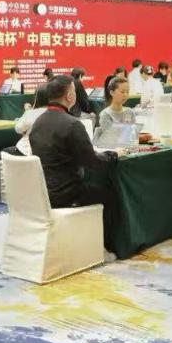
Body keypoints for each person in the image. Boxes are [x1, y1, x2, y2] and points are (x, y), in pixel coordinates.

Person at [28, 75, 119, 257]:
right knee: (111, 194)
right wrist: (113, 154)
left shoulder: (37, 123)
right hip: (67, 193)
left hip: (43, 191)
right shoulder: (72, 124)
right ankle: (106, 248)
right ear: (69, 96)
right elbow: (92, 162)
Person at [14, 86, 50, 156]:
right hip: (48, 154)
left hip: (26, 152)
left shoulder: (30, 113)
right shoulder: (59, 114)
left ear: (36, 98)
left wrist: (27, 112)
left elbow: (18, 129)